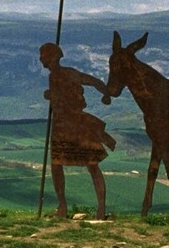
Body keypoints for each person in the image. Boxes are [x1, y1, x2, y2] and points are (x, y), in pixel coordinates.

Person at [40, 42, 114, 219]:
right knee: (61, 165)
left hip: (70, 124)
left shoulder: (67, 73)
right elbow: (92, 82)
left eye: (43, 55)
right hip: (64, 124)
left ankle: (95, 208)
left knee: (88, 165)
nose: (40, 58)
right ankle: (66, 207)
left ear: (51, 57)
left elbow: (91, 82)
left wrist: (106, 93)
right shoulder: (57, 76)